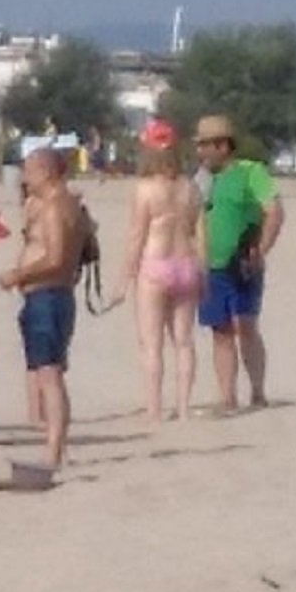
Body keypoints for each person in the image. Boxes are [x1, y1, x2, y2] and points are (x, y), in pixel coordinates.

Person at [106, 119, 203, 424]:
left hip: (155, 264)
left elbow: (137, 235)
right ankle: (184, 408)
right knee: (184, 342)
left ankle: (155, 410)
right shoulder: (190, 187)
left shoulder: (145, 189)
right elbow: (200, 232)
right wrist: (205, 271)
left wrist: (124, 279)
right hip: (186, 263)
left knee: (151, 344)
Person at [0, 147, 86, 470]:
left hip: (48, 296)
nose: (25, 177)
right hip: (51, 296)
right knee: (48, 374)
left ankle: (53, 453)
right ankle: (57, 448)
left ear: (45, 171)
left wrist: (16, 275)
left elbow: (55, 258)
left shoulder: (55, 208)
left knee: (50, 376)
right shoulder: (68, 204)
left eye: (29, 171)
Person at [193, 115, 284, 412]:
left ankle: (257, 392)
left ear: (223, 145)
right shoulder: (202, 179)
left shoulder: (251, 172)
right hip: (211, 265)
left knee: (245, 324)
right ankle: (227, 397)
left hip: (244, 262)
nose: (200, 152)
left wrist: (262, 249)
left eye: (205, 145)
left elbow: (273, 211)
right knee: (220, 330)